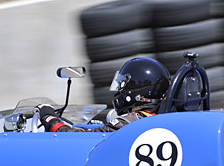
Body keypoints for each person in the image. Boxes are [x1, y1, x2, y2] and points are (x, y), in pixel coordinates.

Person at [38, 57, 170, 133]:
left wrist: (51, 120)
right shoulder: (161, 117)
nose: (120, 91)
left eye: (123, 85)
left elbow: (81, 139)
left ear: (136, 91)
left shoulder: (130, 123)